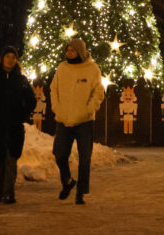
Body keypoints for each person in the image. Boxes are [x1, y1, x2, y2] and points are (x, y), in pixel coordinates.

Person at [0, 46, 36, 204]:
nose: (10, 60)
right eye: (8, 56)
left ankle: (9, 192)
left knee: (11, 158)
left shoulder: (21, 80)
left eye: (13, 57)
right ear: (2, 59)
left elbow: (31, 101)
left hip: (14, 126)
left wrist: (22, 115)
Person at [50, 37, 104, 205]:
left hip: (84, 121)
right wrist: (57, 108)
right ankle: (67, 181)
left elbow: (98, 91)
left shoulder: (92, 69)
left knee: (85, 158)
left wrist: (90, 109)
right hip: (64, 119)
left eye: (72, 50)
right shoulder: (62, 68)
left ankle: (81, 192)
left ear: (80, 52)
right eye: (67, 50)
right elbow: (54, 89)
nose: (69, 53)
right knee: (59, 154)